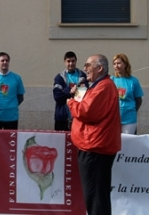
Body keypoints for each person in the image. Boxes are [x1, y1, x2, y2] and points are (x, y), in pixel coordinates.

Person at [67, 54, 121, 215]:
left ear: (100, 68)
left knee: (96, 195)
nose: (85, 69)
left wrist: (70, 102)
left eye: (88, 65)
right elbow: (87, 104)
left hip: (95, 148)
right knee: (95, 194)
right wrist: (77, 95)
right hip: (93, 146)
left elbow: (86, 111)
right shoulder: (97, 85)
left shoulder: (104, 86)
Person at [53, 51, 88, 131]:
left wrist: (65, 92)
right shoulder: (59, 78)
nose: (71, 63)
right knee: (60, 142)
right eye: (68, 61)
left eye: (73, 61)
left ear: (76, 61)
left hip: (79, 117)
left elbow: (83, 96)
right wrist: (70, 91)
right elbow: (57, 97)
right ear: (64, 62)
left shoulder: (83, 76)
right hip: (62, 118)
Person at [111, 53, 143, 134]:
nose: (116, 66)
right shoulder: (111, 80)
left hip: (129, 119)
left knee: (127, 143)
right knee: (115, 144)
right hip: (114, 119)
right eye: (114, 64)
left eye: (119, 63)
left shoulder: (133, 81)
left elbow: (138, 100)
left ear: (125, 64)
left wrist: (131, 110)